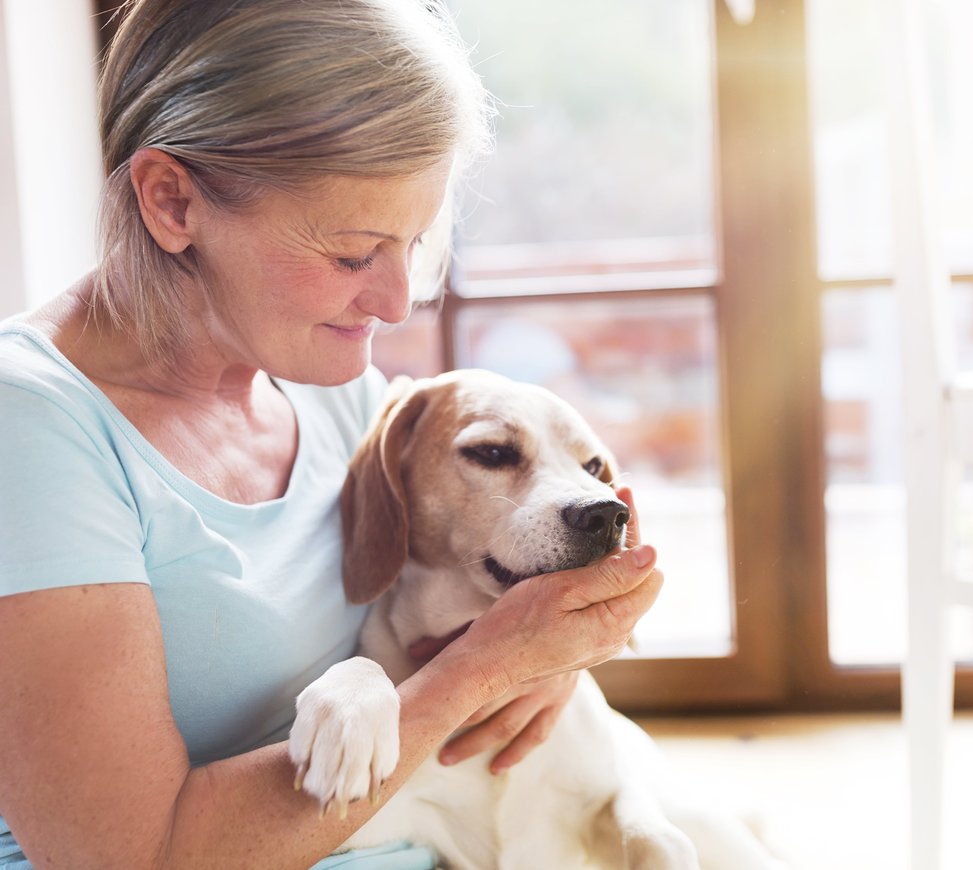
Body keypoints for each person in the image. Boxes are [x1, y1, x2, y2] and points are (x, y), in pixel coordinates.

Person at [0, 1, 663, 867]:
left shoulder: (332, 393)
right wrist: (484, 671)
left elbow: (447, 605)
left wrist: (554, 650)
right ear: (171, 202)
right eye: (354, 254)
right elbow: (132, 854)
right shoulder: (32, 432)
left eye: (413, 246)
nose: (395, 303)